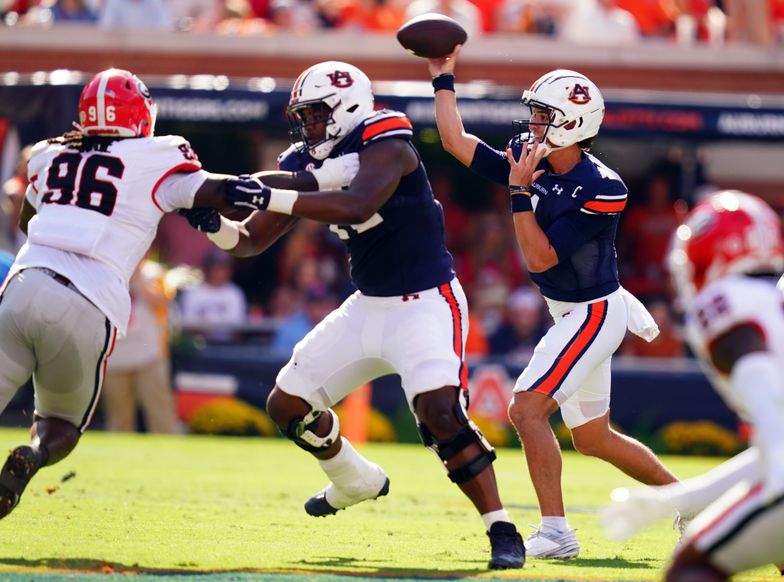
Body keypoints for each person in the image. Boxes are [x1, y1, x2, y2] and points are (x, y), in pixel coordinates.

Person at [181, 60, 525, 569]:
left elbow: (358, 205)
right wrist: (212, 223)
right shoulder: (303, 160)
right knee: (287, 404)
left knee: (439, 413)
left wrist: (263, 190)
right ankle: (353, 479)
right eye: (304, 116)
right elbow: (250, 241)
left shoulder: (388, 141)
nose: (309, 127)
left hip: (425, 302)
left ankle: (502, 528)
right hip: (366, 305)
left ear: (348, 107)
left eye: (318, 114)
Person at [0, 68, 295, 521]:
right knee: (61, 426)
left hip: (26, 282)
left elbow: (27, 221)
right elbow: (216, 194)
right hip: (89, 300)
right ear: (141, 115)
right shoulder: (158, 154)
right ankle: (33, 454)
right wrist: (262, 187)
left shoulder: (49, 154)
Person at [428, 50, 681, 558]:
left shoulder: (603, 187)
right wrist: (442, 78)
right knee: (593, 439)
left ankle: (557, 533)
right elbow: (456, 143)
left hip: (595, 311)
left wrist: (520, 192)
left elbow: (542, 261)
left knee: (526, 408)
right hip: (570, 311)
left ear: (571, 124)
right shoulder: (531, 155)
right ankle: (692, 505)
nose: (534, 125)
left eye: (544, 116)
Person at [602, 190, 784, 581]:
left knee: (692, 569)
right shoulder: (769, 297)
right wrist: (674, 499)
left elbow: (756, 374)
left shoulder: (727, 301)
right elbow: (771, 452)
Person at [101, 256, 179, 433]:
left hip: (150, 355)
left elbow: (164, 300)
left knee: (161, 415)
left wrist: (136, 277)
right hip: (116, 355)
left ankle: (170, 455)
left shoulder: (154, 272)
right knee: (118, 418)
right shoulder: (108, 270)